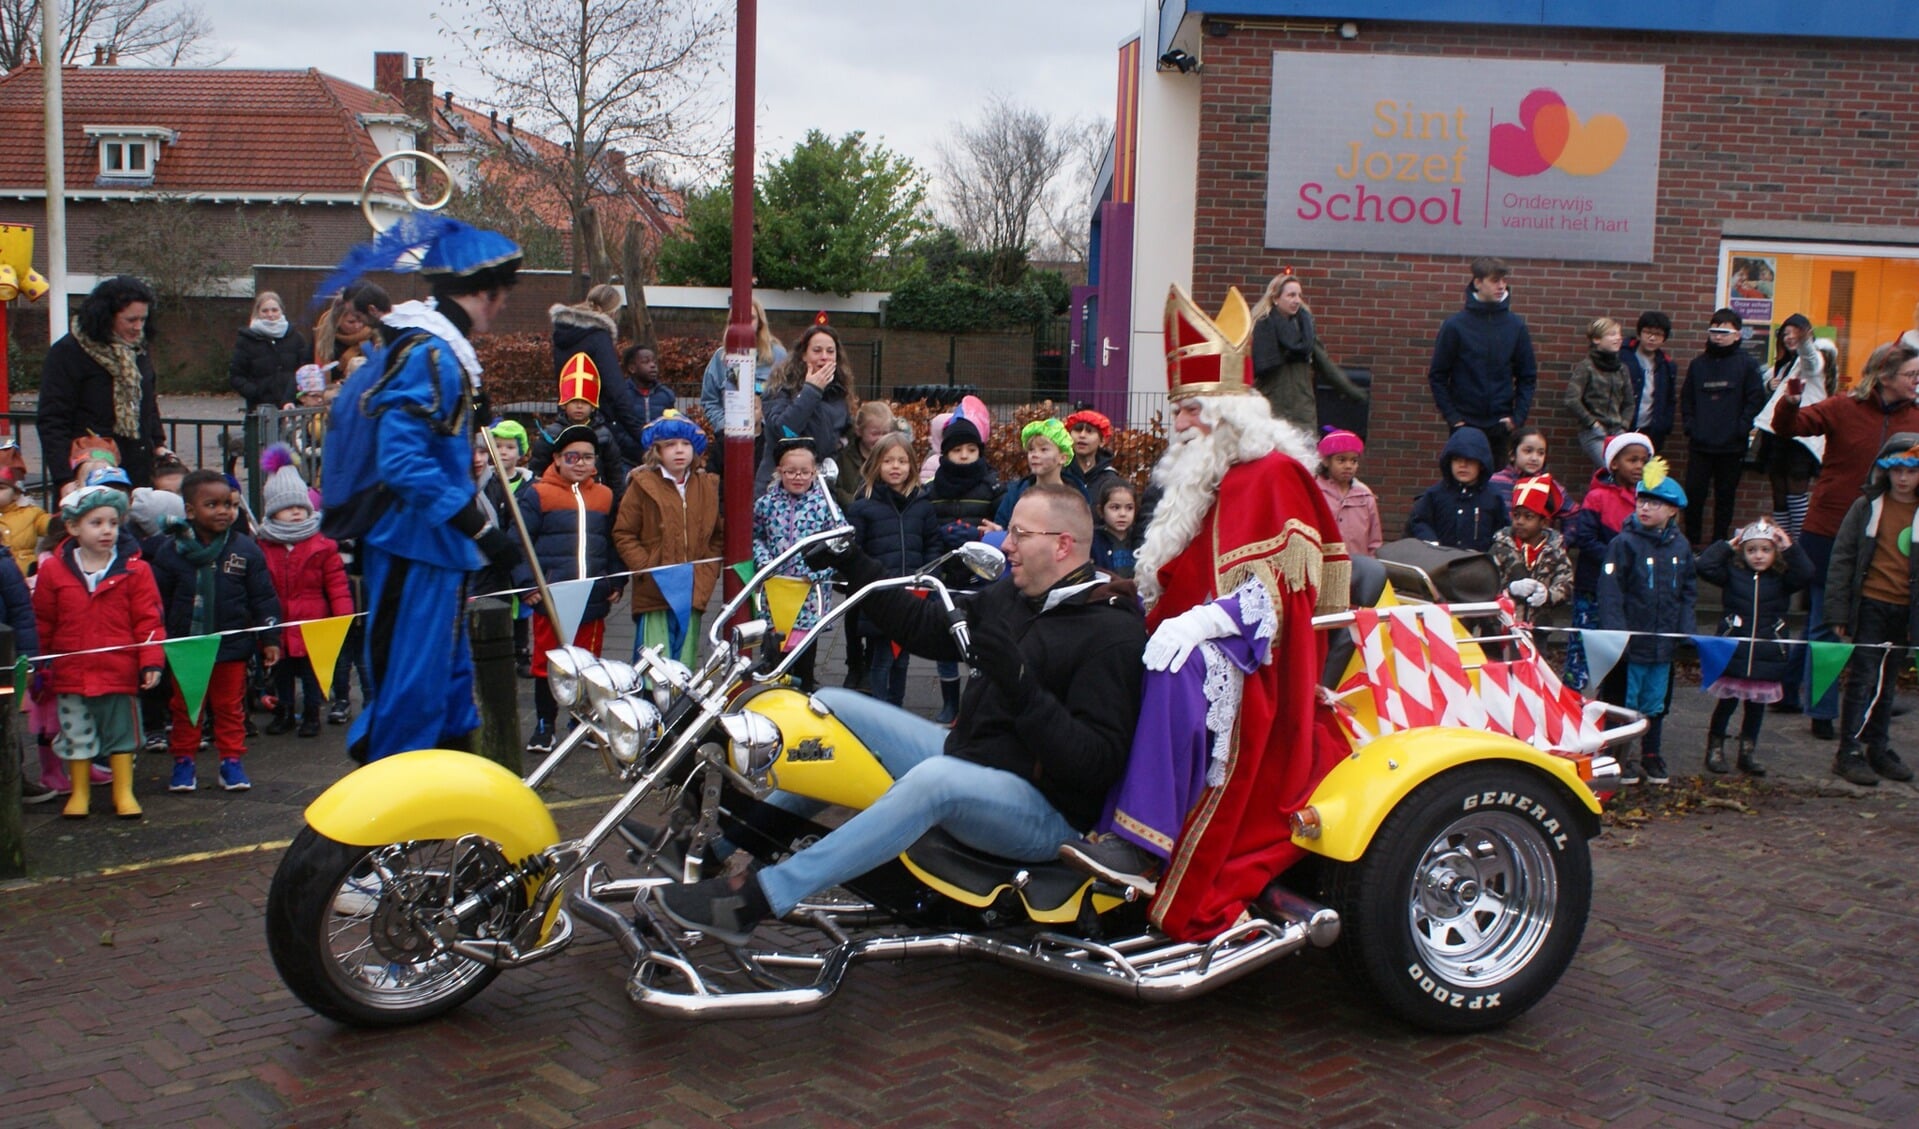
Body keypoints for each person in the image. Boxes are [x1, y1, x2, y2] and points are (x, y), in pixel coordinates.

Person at [654, 484, 1147, 944]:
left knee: (934, 780)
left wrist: (1020, 684)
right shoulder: (1015, 596)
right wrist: (858, 566)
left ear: (1063, 545)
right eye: (1009, 531)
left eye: (1019, 533)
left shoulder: (1109, 632)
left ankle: (757, 900)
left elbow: (1094, 764)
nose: (1006, 545)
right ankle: (722, 847)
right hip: (972, 760)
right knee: (836, 710)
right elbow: (928, 628)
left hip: (1045, 813)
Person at [1056, 285, 1350, 940]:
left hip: (1258, 665)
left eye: (1191, 408)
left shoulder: (1269, 474)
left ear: (1230, 410)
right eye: (1177, 408)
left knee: (1180, 664)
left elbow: (1276, 594)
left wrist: (1197, 624)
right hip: (1213, 642)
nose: (1180, 423)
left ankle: (1141, 846)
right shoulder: (1207, 477)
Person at [318, 215, 524, 763]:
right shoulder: (430, 354)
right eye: (500, 295)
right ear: (481, 292)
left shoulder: (439, 352)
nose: (502, 307)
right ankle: (381, 826)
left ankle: (449, 804)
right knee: (410, 690)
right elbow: (403, 461)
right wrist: (478, 525)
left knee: (449, 687)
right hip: (414, 545)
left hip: (439, 551)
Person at [1774, 340, 1919, 734]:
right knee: (1826, 620)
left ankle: (1793, 691)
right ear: (1885, 375)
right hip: (1830, 530)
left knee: (1854, 622)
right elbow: (1787, 428)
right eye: (1911, 375)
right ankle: (1822, 712)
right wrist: (1790, 402)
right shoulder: (1842, 407)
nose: (1916, 381)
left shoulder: (1916, 418)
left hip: (1884, 537)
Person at [30, 486, 164, 818]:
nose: (107, 530)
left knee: (122, 734)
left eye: (113, 523)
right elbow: (43, 620)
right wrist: (40, 664)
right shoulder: (52, 571)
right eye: (96, 522)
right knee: (76, 732)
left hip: (118, 670)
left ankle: (123, 792)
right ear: (74, 527)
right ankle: (79, 793)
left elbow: (149, 619)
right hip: (71, 672)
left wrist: (150, 661)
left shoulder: (136, 570)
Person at [151, 469, 282, 793]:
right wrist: (159, 641)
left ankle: (231, 761)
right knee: (186, 707)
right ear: (191, 511)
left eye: (229, 504)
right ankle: (184, 760)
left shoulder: (246, 550)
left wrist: (269, 637)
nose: (224, 511)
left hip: (231, 645)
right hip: (187, 646)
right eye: (212, 504)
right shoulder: (170, 552)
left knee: (229, 706)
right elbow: (157, 602)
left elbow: (263, 597)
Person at [517, 425, 623, 753]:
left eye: (587, 457)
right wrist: (526, 584)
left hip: (592, 596)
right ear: (557, 459)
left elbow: (614, 543)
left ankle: (584, 722)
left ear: (596, 463)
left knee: (588, 664)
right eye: (572, 457)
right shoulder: (536, 494)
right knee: (548, 663)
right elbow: (519, 542)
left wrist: (616, 580)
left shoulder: (605, 497)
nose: (579, 463)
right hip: (551, 596)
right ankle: (544, 725)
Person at [1824, 434, 1919, 787]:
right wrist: (1837, 613)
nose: (1903, 479)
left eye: (1911, 471)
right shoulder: (1866, 507)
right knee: (1863, 678)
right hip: (1870, 606)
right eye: (1896, 470)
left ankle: (1877, 745)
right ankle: (1848, 750)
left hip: (1905, 610)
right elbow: (1843, 558)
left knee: (1889, 682)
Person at [1598, 457, 1695, 786]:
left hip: (1662, 643)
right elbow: (1611, 592)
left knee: (1656, 701)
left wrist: (1684, 630)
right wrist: (1616, 633)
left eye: (1654, 503)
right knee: (1624, 701)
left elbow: (1687, 591)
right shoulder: (1623, 544)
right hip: (1630, 644)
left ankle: (1651, 753)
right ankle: (1617, 756)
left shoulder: (1680, 548)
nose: (1645, 507)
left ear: (1672, 512)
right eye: (1642, 500)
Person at [1694, 519, 1812, 777]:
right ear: (1742, 551)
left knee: (1756, 708)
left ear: (1775, 552)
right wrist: (1727, 545)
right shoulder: (1732, 574)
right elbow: (1704, 565)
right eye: (1751, 550)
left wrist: (1790, 546)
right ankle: (1715, 749)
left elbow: (1806, 573)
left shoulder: (1781, 578)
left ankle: (1747, 752)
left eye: (1765, 550)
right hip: (1733, 652)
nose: (1758, 556)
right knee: (1726, 704)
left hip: (1766, 655)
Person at [612, 412, 723, 670]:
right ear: (657, 451)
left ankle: (682, 709)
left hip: (694, 584)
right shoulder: (642, 485)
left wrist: (708, 571)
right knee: (654, 662)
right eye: (670, 445)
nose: (679, 451)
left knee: (684, 661)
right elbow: (624, 533)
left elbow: (716, 534)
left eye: (685, 444)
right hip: (655, 587)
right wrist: (646, 567)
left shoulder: (706, 486)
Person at [36, 276, 170, 489]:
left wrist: (159, 444)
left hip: (137, 464)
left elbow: (147, 402)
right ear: (107, 317)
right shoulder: (68, 352)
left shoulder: (137, 350)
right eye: (130, 320)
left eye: (143, 320)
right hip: (91, 468)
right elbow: (53, 419)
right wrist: (64, 478)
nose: (138, 327)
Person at [255, 448, 352, 739]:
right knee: (281, 673)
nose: (296, 512)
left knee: (313, 675)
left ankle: (312, 714)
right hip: (280, 624)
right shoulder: (264, 545)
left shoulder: (322, 544)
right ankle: (284, 712)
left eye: (301, 506)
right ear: (273, 511)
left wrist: (342, 615)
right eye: (288, 508)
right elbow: (259, 587)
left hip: (314, 624)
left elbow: (336, 583)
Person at [846, 433, 941, 706]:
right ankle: (878, 711)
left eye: (902, 461)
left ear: (912, 465)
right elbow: (856, 551)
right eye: (888, 461)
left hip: (913, 595)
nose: (895, 466)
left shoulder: (922, 506)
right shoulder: (863, 506)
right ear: (876, 464)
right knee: (881, 658)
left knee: (902, 659)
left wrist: (929, 577)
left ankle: (895, 708)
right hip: (879, 596)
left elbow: (932, 543)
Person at [922, 407, 1001, 725]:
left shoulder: (991, 487)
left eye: (971, 449)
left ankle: (973, 702)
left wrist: (981, 536)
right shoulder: (932, 490)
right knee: (945, 642)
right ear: (946, 453)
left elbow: (1000, 528)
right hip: (946, 573)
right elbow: (926, 527)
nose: (965, 455)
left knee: (977, 641)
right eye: (957, 450)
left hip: (980, 576)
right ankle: (949, 702)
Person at [1427, 256, 1538, 467]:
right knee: (1462, 484)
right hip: (1464, 424)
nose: (1501, 285)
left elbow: (1527, 376)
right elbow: (1438, 375)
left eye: (1503, 280)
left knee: (1498, 489)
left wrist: (1517, 418)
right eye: (1495, 280)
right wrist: (1454, 418)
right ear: (1478, 282)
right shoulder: (1455, 326)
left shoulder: (1515, 326)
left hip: (1501, 424)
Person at [1563, 432, 1652, 692]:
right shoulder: (1597, 497)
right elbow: (1586, 539)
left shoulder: (1646, 500)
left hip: (1629, 589)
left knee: (1617, 648)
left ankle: (1610, 701)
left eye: (1644, 461)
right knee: (1584, 644)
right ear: (1614, 463)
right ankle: (1574, 696)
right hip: (1593, 586)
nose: (1639, 466)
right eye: (1632, 460)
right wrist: (1618, 561)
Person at [752, 440, 840, 690]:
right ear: (779, 471)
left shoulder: (826, 507)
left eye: (804, 472)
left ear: (815, 472)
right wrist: (764, 561)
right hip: (774, 590)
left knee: (805, 654)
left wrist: (820, 571)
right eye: (790, 471)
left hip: (809, 593)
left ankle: (804, 693)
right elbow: (755, 536)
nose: (798, 477)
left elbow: (839, 542)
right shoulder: (766, 505)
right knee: (773, 653)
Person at [1681, 309, 1768, 545]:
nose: (1718, 337)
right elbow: (1686, 399)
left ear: (1737, 335)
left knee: (1725, 499)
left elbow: (1755, 400)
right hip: (1700, 444)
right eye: (1714, 331)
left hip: (1732, 446)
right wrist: (1691, 426)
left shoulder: (1747, 365)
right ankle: (1691, 545)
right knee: (1694, 496)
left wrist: (1741, 429)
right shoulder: (1698, 365)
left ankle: (1719, 546)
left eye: (1724, 331)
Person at [1751, 313, 1836, 540]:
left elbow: (1810, 360)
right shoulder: (1784, 364)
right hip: (1776, 434)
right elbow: (1766, 387)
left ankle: (1799, 544)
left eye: (1794, 333)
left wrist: (1804, 342)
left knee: (1795, 494)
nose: (1789, 338)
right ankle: (1783, 544)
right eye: (1786, 333)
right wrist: (1770, 384)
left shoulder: (1813, 358)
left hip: (1801, 437)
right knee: (1779, 494)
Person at [1248, 271, 1366, 432]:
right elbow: (1249, 369)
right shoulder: (1261, 329)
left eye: (1299, 295)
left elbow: (1325, 365)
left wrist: (1353, 392)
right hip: (1270, 409)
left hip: (1302, 411)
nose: (1297, 300)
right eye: (1291, 295)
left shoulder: (1305, 331)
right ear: (1275, 298)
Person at [550, 284, 648, 468]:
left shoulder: (562, 336)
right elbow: (616, 390)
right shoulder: (598, 338)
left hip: (567, 418)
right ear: (612, 312)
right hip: (597, 422)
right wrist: (642, 434)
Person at [756, 324, 857, 495]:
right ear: (803, 355)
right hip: (779, 488)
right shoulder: (781, 388)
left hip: (821, 489)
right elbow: (783, 430)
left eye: (830, 351)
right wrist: (811, 390)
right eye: (817, 351)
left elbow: (845, 436)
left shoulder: (840, 393)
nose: (824, 357)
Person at [476, 419, 536, 675]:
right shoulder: (490, 482)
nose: (503, 452)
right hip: (493, 555)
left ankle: (522, 650)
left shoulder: (528, 484)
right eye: (498, 447)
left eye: (510, 447)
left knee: (519, 604)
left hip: (515, 552)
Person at [699, 297, 787, 470]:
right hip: (730, 440)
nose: (745, 325)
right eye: (737, 320)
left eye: (750, 319)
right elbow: (709, 399)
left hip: (768, 442)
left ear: (760, 322)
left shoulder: (778, 355)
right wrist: (725, 425)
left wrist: (765, 428)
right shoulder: (721, 357)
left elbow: (787, 399)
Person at [532, 338, 628, 488]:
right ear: (564, 405)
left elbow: (614, 473)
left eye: (584, 402)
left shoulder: (604, 435)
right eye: (573, 401)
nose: (579, 406)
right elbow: (537, 470)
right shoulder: (551, 435)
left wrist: (615, 504)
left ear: (593, 406)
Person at [1406, 425, 1507, 553]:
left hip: (1479, 564)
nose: (1462, 465)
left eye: (1469, 460)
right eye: (1456, 459)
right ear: (1449, 462)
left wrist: (1492, 552)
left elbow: (1503, 530)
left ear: (1481, 464)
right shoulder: (1435, 494)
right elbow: (1419, 521)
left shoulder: (1493, 497)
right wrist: (1431, 543)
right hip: (1440, 563)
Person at [1490, 474, 1572, 625]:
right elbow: (1486, 584)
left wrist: (1548, 596)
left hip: (1538, 628)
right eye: (1516, 515)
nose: (1520, 521)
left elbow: (1566, 585)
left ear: (1544, 522)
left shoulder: (1555, 551)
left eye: (1528, 517)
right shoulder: (1500, 548)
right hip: (1502, 628)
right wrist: (1510, 589)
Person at [1565, 316, 1634, 469]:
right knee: (1610, 468)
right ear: (1596, 339)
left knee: (1620, 472)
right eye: (1612, 334)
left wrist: (1623, 425)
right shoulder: (1586, 367)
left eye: (1619, 334)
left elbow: (1629, 402)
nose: (1618, 338)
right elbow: (1571, 399)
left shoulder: (1622, 369)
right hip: (1594, 432)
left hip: (1617, 431)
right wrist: (1592, 423)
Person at [228, 291, 309, 414]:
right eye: (265, 311)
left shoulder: (296, 338)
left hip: (292, 408)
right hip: (259, 410)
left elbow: (304, 371)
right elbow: (236, 376)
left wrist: (291, 397)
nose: (270, 314)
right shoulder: (246, 340)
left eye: (274, 310)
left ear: (281, 311)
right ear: (257, 312)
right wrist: (257, 393)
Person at [1313, 427, 1382, 559]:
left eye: (1353, 461)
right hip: (1324, 565)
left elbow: (1375, 541)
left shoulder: (1365, 495)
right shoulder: (1315, 492)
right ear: (1326, 461)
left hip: (1358, 567)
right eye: (1341, 460)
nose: (1348, 466)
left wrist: (1372, 565)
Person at [993, 418, 1072, 527]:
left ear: (1063, 458)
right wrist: (998, 533)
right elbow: (1001, 523)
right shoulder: (1015, 493)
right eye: (1031, 449)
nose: (1034, 455)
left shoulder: (1076, 496)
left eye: (1043, 450)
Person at [1621, 311, 1677, 453]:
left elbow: (1670, 398)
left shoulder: (1667, 365)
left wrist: (1664, 425)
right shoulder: (1623, 355)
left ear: (1664, 338)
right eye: (1648, 332)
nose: (1652, 338)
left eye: (1658, 334)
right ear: (1639, 333)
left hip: (1651, 430)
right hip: (1623, 425)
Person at [312, 281, 391, 379]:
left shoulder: (377, 336)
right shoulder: (324, 339)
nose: (358, 325)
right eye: (351, 322)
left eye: (359, 318)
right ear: (338, 321)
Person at [1062, 409, 1123, 505]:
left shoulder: (1111, 479)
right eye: (1078, 430)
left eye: (1089, 431)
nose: (1082, 435)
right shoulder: (1059, 473)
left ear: (1102, 441)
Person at [0, 466, 50, 576]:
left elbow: (49, 525)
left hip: (25, 573)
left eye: (1, 488)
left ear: (16, 494)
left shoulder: (31, 513)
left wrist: (60, 520)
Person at [1091, 479, 1142, 579]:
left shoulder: (1139, 538)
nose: (1122, 514)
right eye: (1115, 507)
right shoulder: (1094, 542)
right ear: (1100, 511)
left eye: (1129, 508)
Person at [622, 343, 678, 424]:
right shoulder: (622, 395)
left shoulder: (666, 395)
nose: (652, 365)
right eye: (646, 362)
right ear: (632, 368)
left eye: (654, 362)